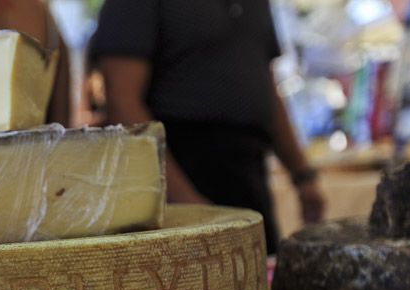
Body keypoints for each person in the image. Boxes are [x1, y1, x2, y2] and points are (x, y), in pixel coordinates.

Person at [88, 0, 325, 253]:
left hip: (249, 174)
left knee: (256, 282)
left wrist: (301, 174)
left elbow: (263, 82)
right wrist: (184, 202)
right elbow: (122, 104)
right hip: (181, 168)